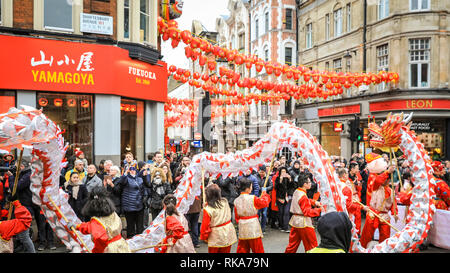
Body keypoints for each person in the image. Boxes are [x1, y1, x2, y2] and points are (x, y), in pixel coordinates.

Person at [70, 187, 130, 253]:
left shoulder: (96, 221)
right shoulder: (113, 214)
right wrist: (78, 226)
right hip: (120, 245)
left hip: (108, 248)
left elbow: (98, 236)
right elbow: (91, 226)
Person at [360, 157, 398, 248]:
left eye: (387, 179)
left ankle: (382, 249)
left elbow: (394, 203)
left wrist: (394, 213)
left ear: (389, 181)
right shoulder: (376, 186)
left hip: (384, 216)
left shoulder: (391, 191)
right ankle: (362, 249)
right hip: (373, 213)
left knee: (385, 236)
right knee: (366, 236)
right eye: (384, 179)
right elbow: (378, 180)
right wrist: (387, 172)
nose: (385, 181)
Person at [285, 173, 323, 253]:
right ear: (305, 184)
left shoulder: (297, 191)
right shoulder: (303, 195)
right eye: (309, 182)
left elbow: (302, 201)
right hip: (304, 222)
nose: (310, 184)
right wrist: (319, 209)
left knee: (292, 245)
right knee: (311, 245)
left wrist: (314, 202)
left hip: (295, 221)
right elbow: (307, 212)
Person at [233, 178, 270, 253]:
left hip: (242, 225)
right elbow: (264, 203)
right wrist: (264, 194)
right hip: (253, 225)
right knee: (257, 249)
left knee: (242, 249)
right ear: (247, 188)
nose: (251, 188)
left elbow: (237, 217)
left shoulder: (236, 200)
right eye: (251, 186)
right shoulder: (253, 198)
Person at [200, 184, 237, 253]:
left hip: (216, 234)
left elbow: (205, 226)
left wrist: (204, 237)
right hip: (228, 230)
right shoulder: (225, 202)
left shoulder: (208, 209)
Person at [9, 157, 35, 253]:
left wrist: (11, 176)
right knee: (20, 235)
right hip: (19, 207)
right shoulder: (22, 174)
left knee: (24, 236)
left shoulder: (28, 175)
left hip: (25, 208)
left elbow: (16, 188)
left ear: (22, 166)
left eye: (16, 167)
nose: (15, 169)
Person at [119, 166, 147, 238]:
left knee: (139, 226)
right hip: (129, 205)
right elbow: (121, 182)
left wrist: (145, 197)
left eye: (134, 169)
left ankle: (139, 240)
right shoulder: (126, 178)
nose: (132, 171)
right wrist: (125, 173)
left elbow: (144, 188)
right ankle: (131, 240)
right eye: (130, 169)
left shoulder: (139, 179)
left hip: (139, 204)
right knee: (130, 226)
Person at [337, 168, 363, 235]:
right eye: (347, 173)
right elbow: (348, 205)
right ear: (344, 175)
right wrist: (360, 207)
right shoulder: (346, 188)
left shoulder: (337, 184)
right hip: (346, 214)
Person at [256, 165, 273, 233]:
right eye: (260, 172)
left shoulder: (268, 178)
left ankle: (263, 228)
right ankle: (257, 227)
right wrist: (260, 189)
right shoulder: (256, 177)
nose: (261, 173)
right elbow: (255, 185)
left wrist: (266, 189)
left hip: (265, 198)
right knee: (257, 213)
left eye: (263, 172)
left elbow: (271, 186)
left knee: (264, 213)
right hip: (258, 197)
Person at [274, 166, 291, 232]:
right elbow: (276, 188)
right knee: (281, 212)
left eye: (284, 171)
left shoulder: (288, 178)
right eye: (282, 172)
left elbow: (292, 187)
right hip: (280, 198)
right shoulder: (278, 178)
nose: (283, 173)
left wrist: (290, 179)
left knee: (286, 212)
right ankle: (281, 225)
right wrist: (280, 181)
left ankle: (285, 227)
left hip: (287, 197)